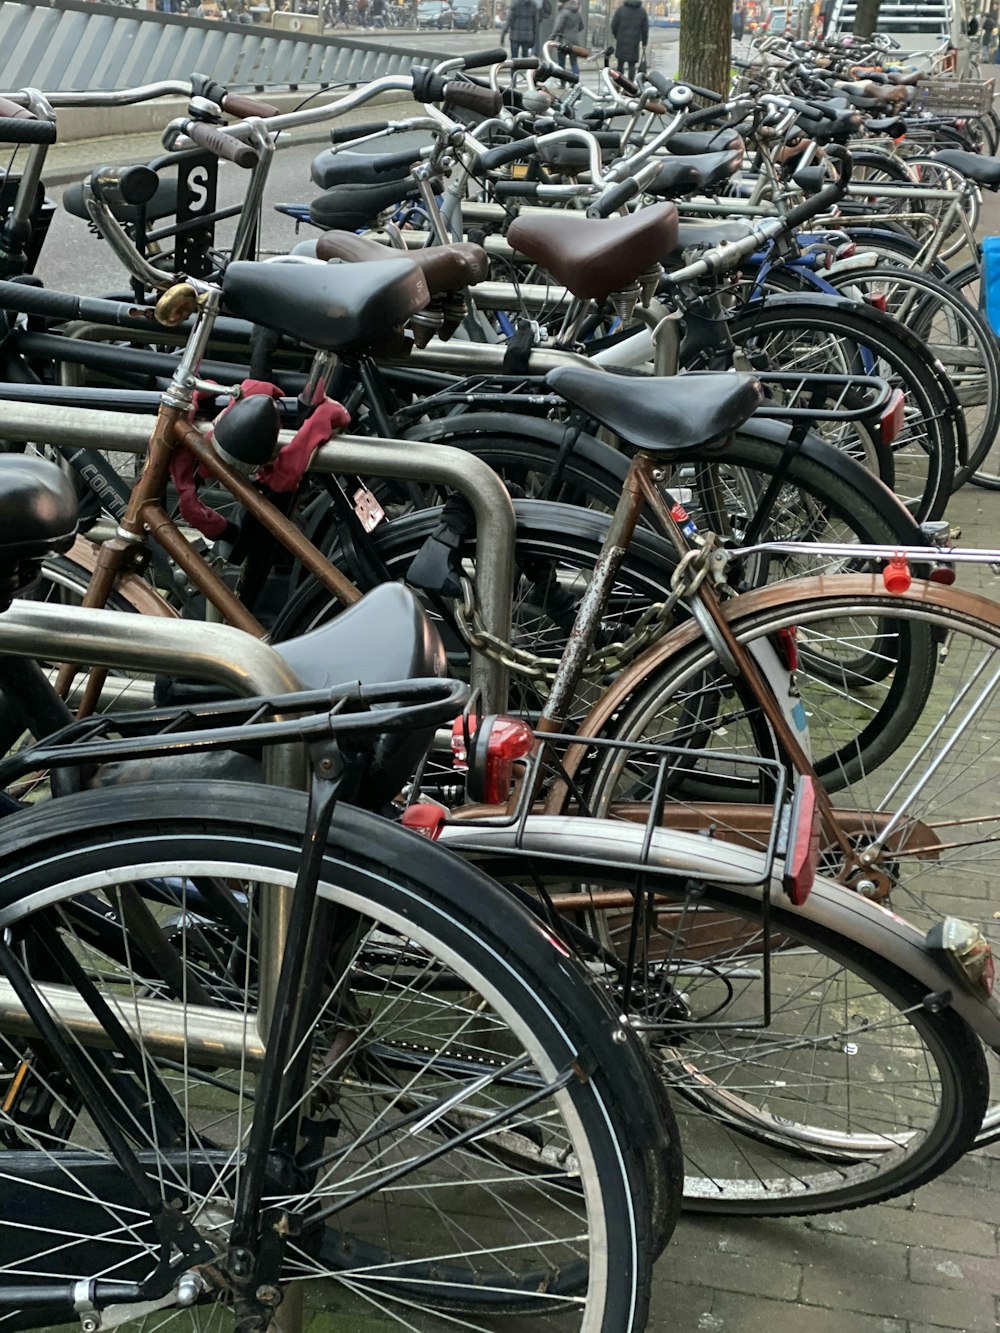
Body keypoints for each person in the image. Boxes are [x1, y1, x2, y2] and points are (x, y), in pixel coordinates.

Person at [611, 0, 648, 84]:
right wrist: (644, 42)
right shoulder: (641, 11)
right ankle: (630, 85)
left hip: (621, 41)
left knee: (620, 63)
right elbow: (645, 29)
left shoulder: (620, 10)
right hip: (634, 42)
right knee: (632, 65)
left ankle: (620, 83)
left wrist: (617, 36)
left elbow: (614, 25)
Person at [551, 0, 584, 73]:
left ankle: (563, 82)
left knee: (561, 63)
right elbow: (582, 26)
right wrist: (574, 31)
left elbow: (558, 27)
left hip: (563, 41)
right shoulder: (577, 13)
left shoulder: (564, 13)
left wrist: (552, 38)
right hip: (574, 42)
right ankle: (575, 80)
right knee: (574, 62)